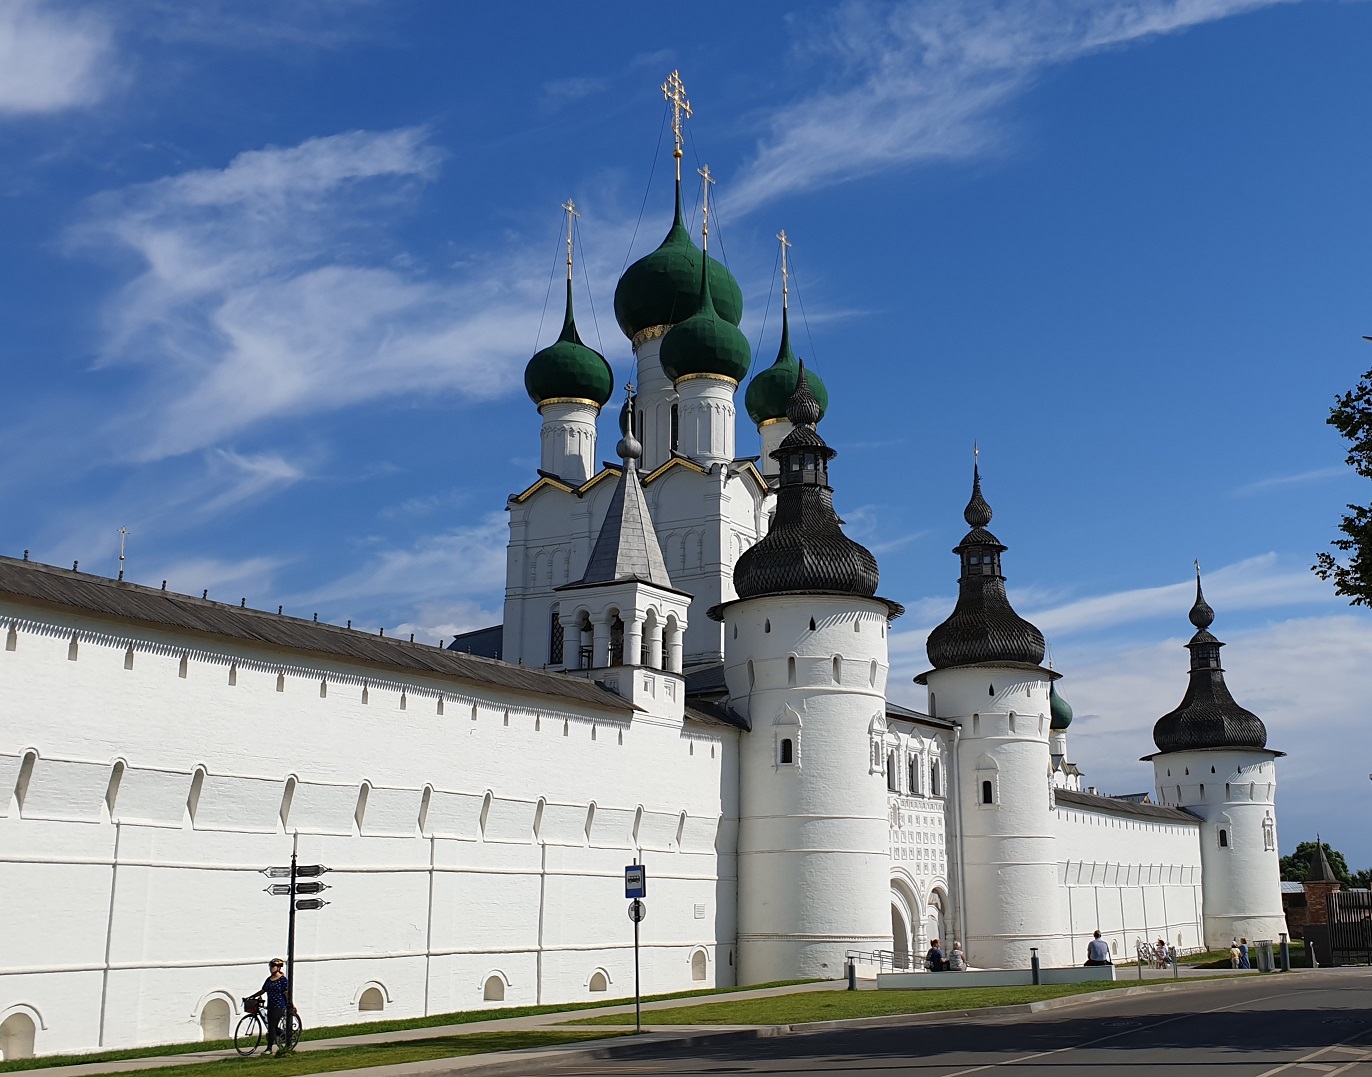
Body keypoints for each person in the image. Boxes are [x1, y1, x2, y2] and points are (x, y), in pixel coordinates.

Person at [252, 958, 297, 1053]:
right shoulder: (269, 979)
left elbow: (286, 993)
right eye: (270, 966)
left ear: (279, 967)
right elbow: (263, 990)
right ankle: (285, 1035)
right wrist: (251, 997)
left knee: (272, 1027)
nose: (271, 968)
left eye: (273, 966)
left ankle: (269, 1049)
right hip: (271, 1005)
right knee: (273, 1027)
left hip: (279, 1005)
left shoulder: (283, 980)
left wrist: (291, 1004)